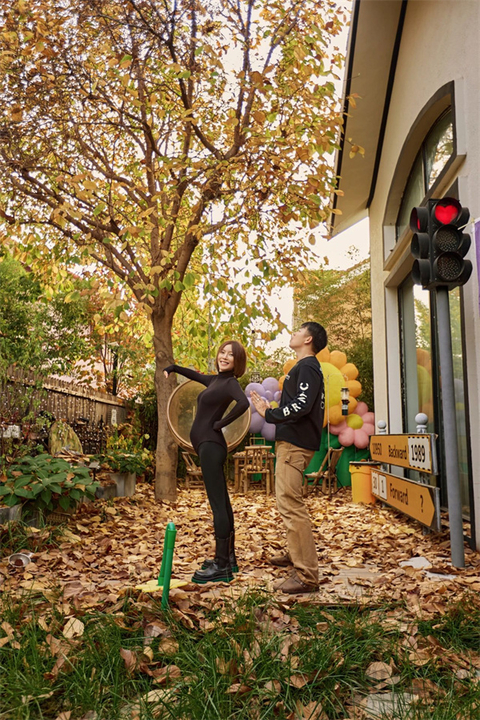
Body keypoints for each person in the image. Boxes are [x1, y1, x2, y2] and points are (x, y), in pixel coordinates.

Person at [164, 341, 249, 584]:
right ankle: (229, 559)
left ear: (237, 361)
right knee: (223, 501)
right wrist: (174, 367)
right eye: (222, 352)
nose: (224, 356)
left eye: (230, 355)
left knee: (217, 505)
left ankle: (221, 565)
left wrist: (220, 424)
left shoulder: (230, 383)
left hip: (211, 446)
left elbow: (243, 404)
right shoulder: (216, 381)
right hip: (208, 446)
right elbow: (196, 375)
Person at [251, 322, 327, 594]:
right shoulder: (304, 368)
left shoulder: (307, 366)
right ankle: (296, 555)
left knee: (291, 505)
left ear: (307, 339)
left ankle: (306, 576)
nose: (292, 334)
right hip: (293, 443)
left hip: (295, 445)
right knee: (288, 502)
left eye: (297, 331)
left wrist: (269, 414)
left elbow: (302, 405)